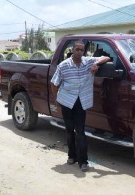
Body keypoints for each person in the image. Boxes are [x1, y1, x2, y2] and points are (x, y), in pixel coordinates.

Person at [50, 40, 110, 172]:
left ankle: (83, 161)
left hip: (81, 102)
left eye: (82, 50)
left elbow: (106, 57)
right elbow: (54, 84)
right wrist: (57, 100)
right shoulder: (63, 66)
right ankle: (72, 156)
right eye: (77, 49)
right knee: (69, 130)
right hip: (67, 101)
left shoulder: (87, 61)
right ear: (72, 50)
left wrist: (96, 63)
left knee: (80, 131)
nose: (79, 52)